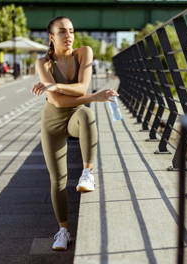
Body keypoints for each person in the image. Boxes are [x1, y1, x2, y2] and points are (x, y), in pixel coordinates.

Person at [31, 16, 118, 251]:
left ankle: (88, 173)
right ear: (51, 37)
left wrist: (54, 85)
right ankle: (63, 231)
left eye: (71, 30)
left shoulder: (84, 53)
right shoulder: (43, 64)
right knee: (57, 179)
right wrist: (95, 97)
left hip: (76, 116)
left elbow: (81, 87)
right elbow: (58, 103)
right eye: (62, 32)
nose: (68, 36)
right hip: (52, 123)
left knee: (87, 116)